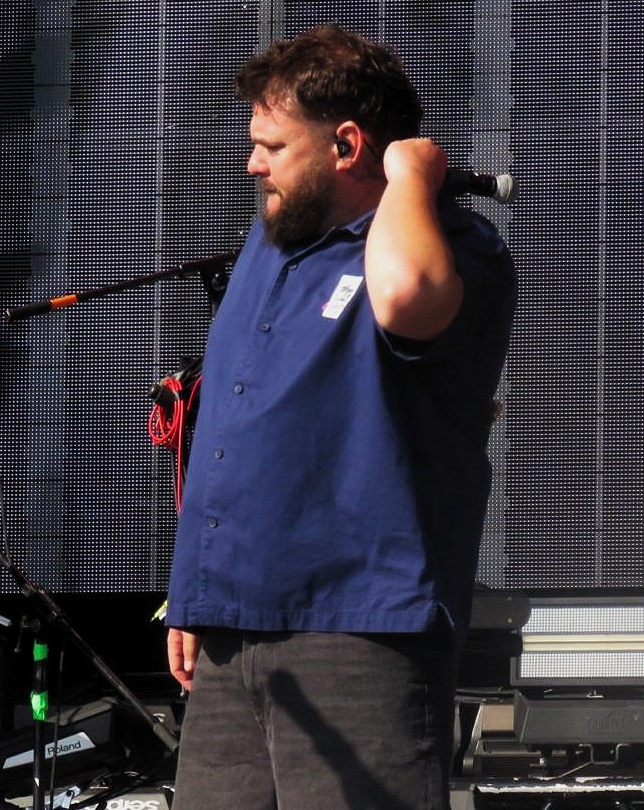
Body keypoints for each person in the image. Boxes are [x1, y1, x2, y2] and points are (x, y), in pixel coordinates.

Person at [164, 25, 516, 809]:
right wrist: (191, 593)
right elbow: (229, 423)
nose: (252, 164)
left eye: (272, 146)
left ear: (348, 145)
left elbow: (406, 297)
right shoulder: (271, 247)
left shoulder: (454, 246)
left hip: (357, 629)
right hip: (231, 626)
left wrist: (410, 176)